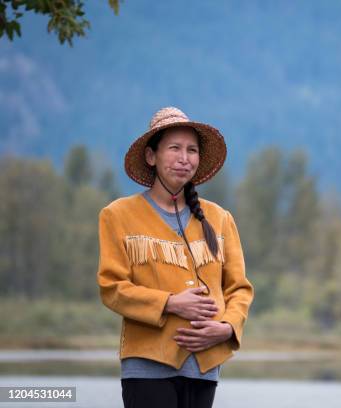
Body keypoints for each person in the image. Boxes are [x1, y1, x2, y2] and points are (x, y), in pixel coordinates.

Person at [97, 106, 254, 408]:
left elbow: (239, 289)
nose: (185, 158)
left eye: (192, 150)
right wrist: (170, 302)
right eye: (175, 148)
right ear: (151, 156)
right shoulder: (117, 215)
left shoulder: (220, 219)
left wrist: (226, 328)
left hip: (204, 368)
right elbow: (112, 288)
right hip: (147, 367)